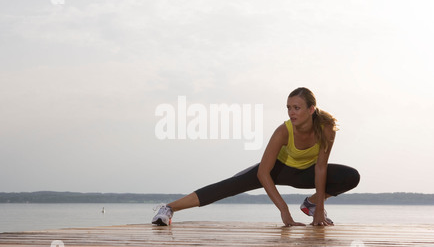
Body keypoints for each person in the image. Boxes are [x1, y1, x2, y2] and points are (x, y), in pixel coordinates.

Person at [152, 87, 360, 227]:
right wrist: (284, 210)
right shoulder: (283, 131)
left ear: (311, 109)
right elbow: (263, 172)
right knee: (229, 186)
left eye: (296, 108)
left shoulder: (326, 129)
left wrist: (319, 209)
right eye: (288, 107)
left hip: (306, 173)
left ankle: (312, 204)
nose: (291, 112)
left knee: (351, 176)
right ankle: (168, 208)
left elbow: (321, 168)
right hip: (276, 170)